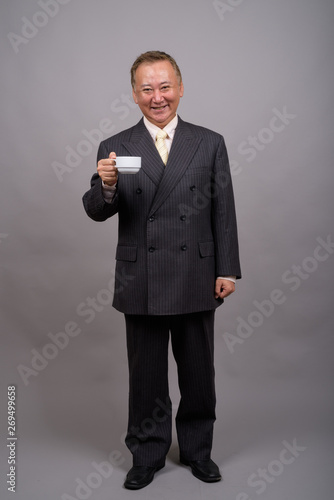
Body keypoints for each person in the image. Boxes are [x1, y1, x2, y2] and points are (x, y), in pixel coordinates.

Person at [82, 50, 241, 490]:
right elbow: (96, 210)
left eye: (165, 86)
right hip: (143, 278)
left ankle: (197, 451)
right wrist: (108, 187)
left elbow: (223, 211)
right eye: (147, 88)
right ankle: (147, 454)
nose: (158, 97)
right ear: (134, 94)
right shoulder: (115, 146)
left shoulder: (210, 142)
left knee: (198, 375)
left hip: (196, 270)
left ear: (181, 87)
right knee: (146, 377)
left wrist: (228, 269)